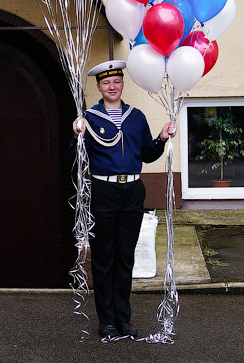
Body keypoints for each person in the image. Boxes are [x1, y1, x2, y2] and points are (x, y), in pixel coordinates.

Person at [71, 59, 175, 340]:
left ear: (122, 84)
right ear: (99, 87)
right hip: (103, 192)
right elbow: (76, 156)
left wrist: (161, 138)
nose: (112, 86)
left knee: (125, 257)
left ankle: (123, 319)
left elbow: (147, 154)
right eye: (106, 83)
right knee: (104, 258)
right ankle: (106, 322)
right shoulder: (90, 119)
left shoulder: (136, 116)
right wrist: (77, 135)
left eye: (116, 81)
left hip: (131, 192)